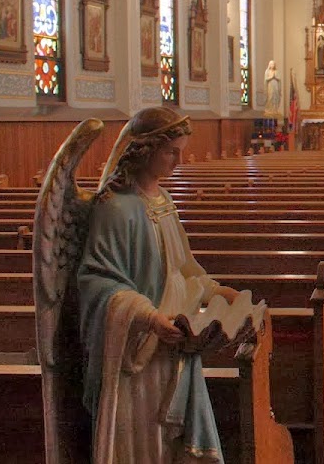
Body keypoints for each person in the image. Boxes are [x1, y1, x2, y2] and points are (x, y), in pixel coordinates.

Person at [78, 107, 244, 463]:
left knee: (170, 446)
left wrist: (216, 291)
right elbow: (97, 283)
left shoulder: (163, 200)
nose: (179, 160)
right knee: (146, 443)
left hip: (173, 347)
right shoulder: (115, 209)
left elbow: (181, 269)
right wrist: (149, 318)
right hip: (137, 354)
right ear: (145, 149)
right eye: (171, 152)